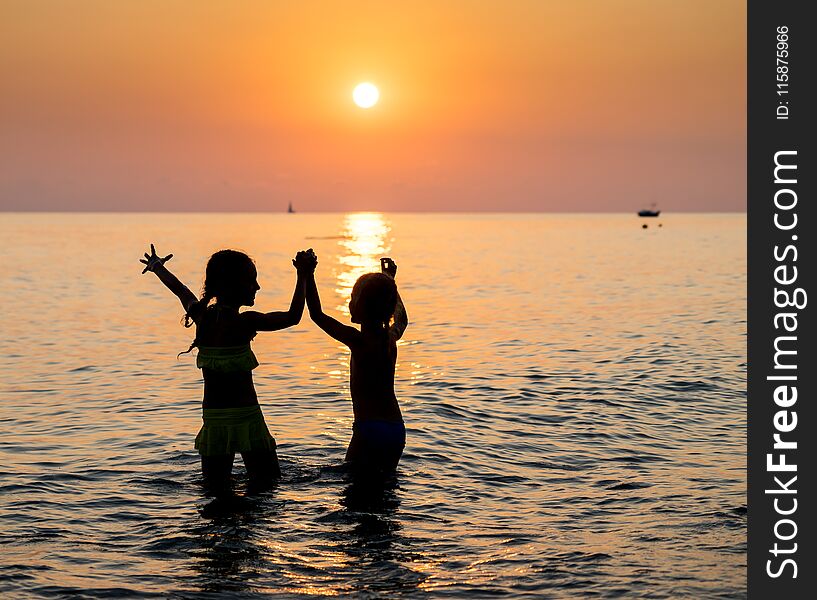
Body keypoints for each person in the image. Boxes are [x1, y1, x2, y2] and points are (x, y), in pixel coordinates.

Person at [139, 244, 316, 494]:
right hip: (248, 419)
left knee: (215, 491)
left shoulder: (202, 316)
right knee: (267, 487)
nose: (257, 287)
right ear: (233, 286)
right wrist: (304, 275)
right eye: (252, 281)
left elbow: (180, 290)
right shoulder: (246, 322)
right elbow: (293, 316)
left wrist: (158, 268)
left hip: (215, 422)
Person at [304, 252, 408, 474]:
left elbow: (316, 314)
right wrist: (390, 281)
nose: (349, 303)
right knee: (385, 487)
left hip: (369, 428)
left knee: (355, 492)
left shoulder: (358, 340)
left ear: (363, 307)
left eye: (353, 298)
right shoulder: (391, 337)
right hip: (396, 429)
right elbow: (402, 319)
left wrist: (307, 275)